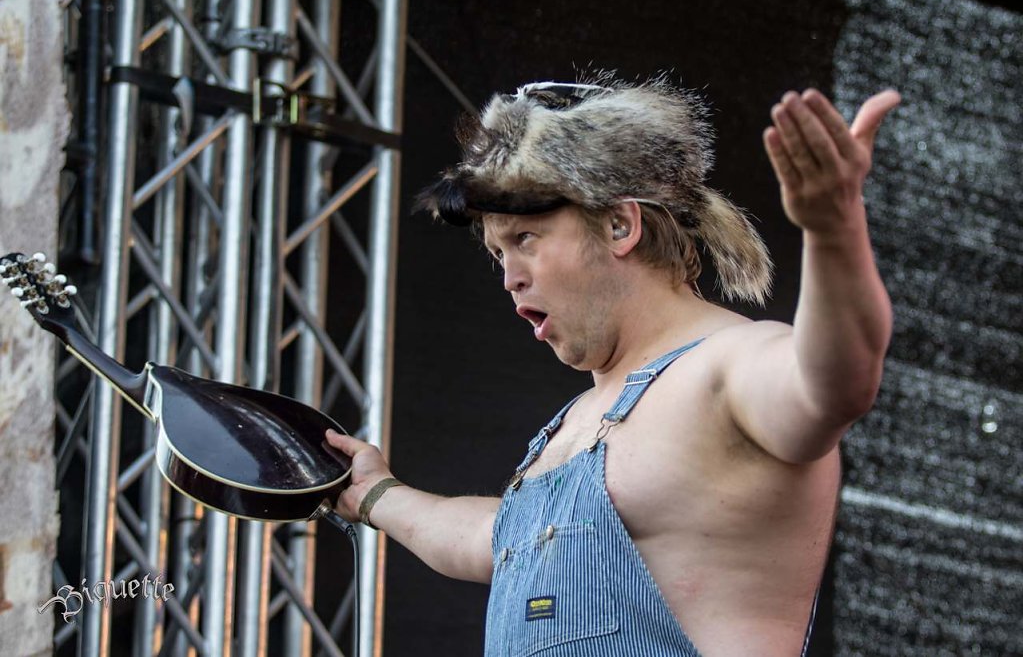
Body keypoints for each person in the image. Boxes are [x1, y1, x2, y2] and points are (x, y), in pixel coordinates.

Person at [326, 76, 900, 656]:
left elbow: (836, 385)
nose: (509, 276)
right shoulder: (575, 421)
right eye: (499, 253)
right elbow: (489, 539)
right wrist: (377, 494)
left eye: (526, 237)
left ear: (620, 225)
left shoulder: (729, 365)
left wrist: (833, 229)